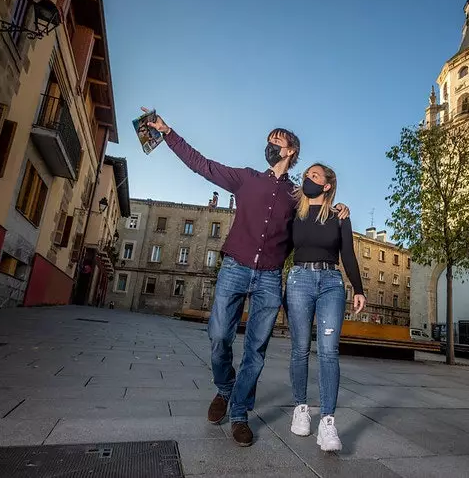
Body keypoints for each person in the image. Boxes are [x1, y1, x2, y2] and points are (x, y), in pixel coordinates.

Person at [143, 109, 349, 447]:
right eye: (268, 141)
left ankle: (239, 413)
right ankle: (224, 388)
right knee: (219, 336)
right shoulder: (246, 178)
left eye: (276, 142)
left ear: (290, 151)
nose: (269, 146)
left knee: (256, 351)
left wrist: (342, 209)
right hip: (234, 269)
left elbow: (322, 211)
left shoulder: (297, 197)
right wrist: (167, 132)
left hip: (269, 278)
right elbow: (202, 164)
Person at [285, 163, 366, 452]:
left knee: (329, 351)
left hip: (332, 282)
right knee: (300, 348)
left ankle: (328, 422)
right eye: (307, 174)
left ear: (327, 185)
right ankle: (301, 408)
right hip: (299, 280)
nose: (308, 178)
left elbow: (349, 255)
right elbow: (281, 246)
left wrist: (359, 288)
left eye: (315, 175)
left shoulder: (339, 217)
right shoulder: (295, 214)